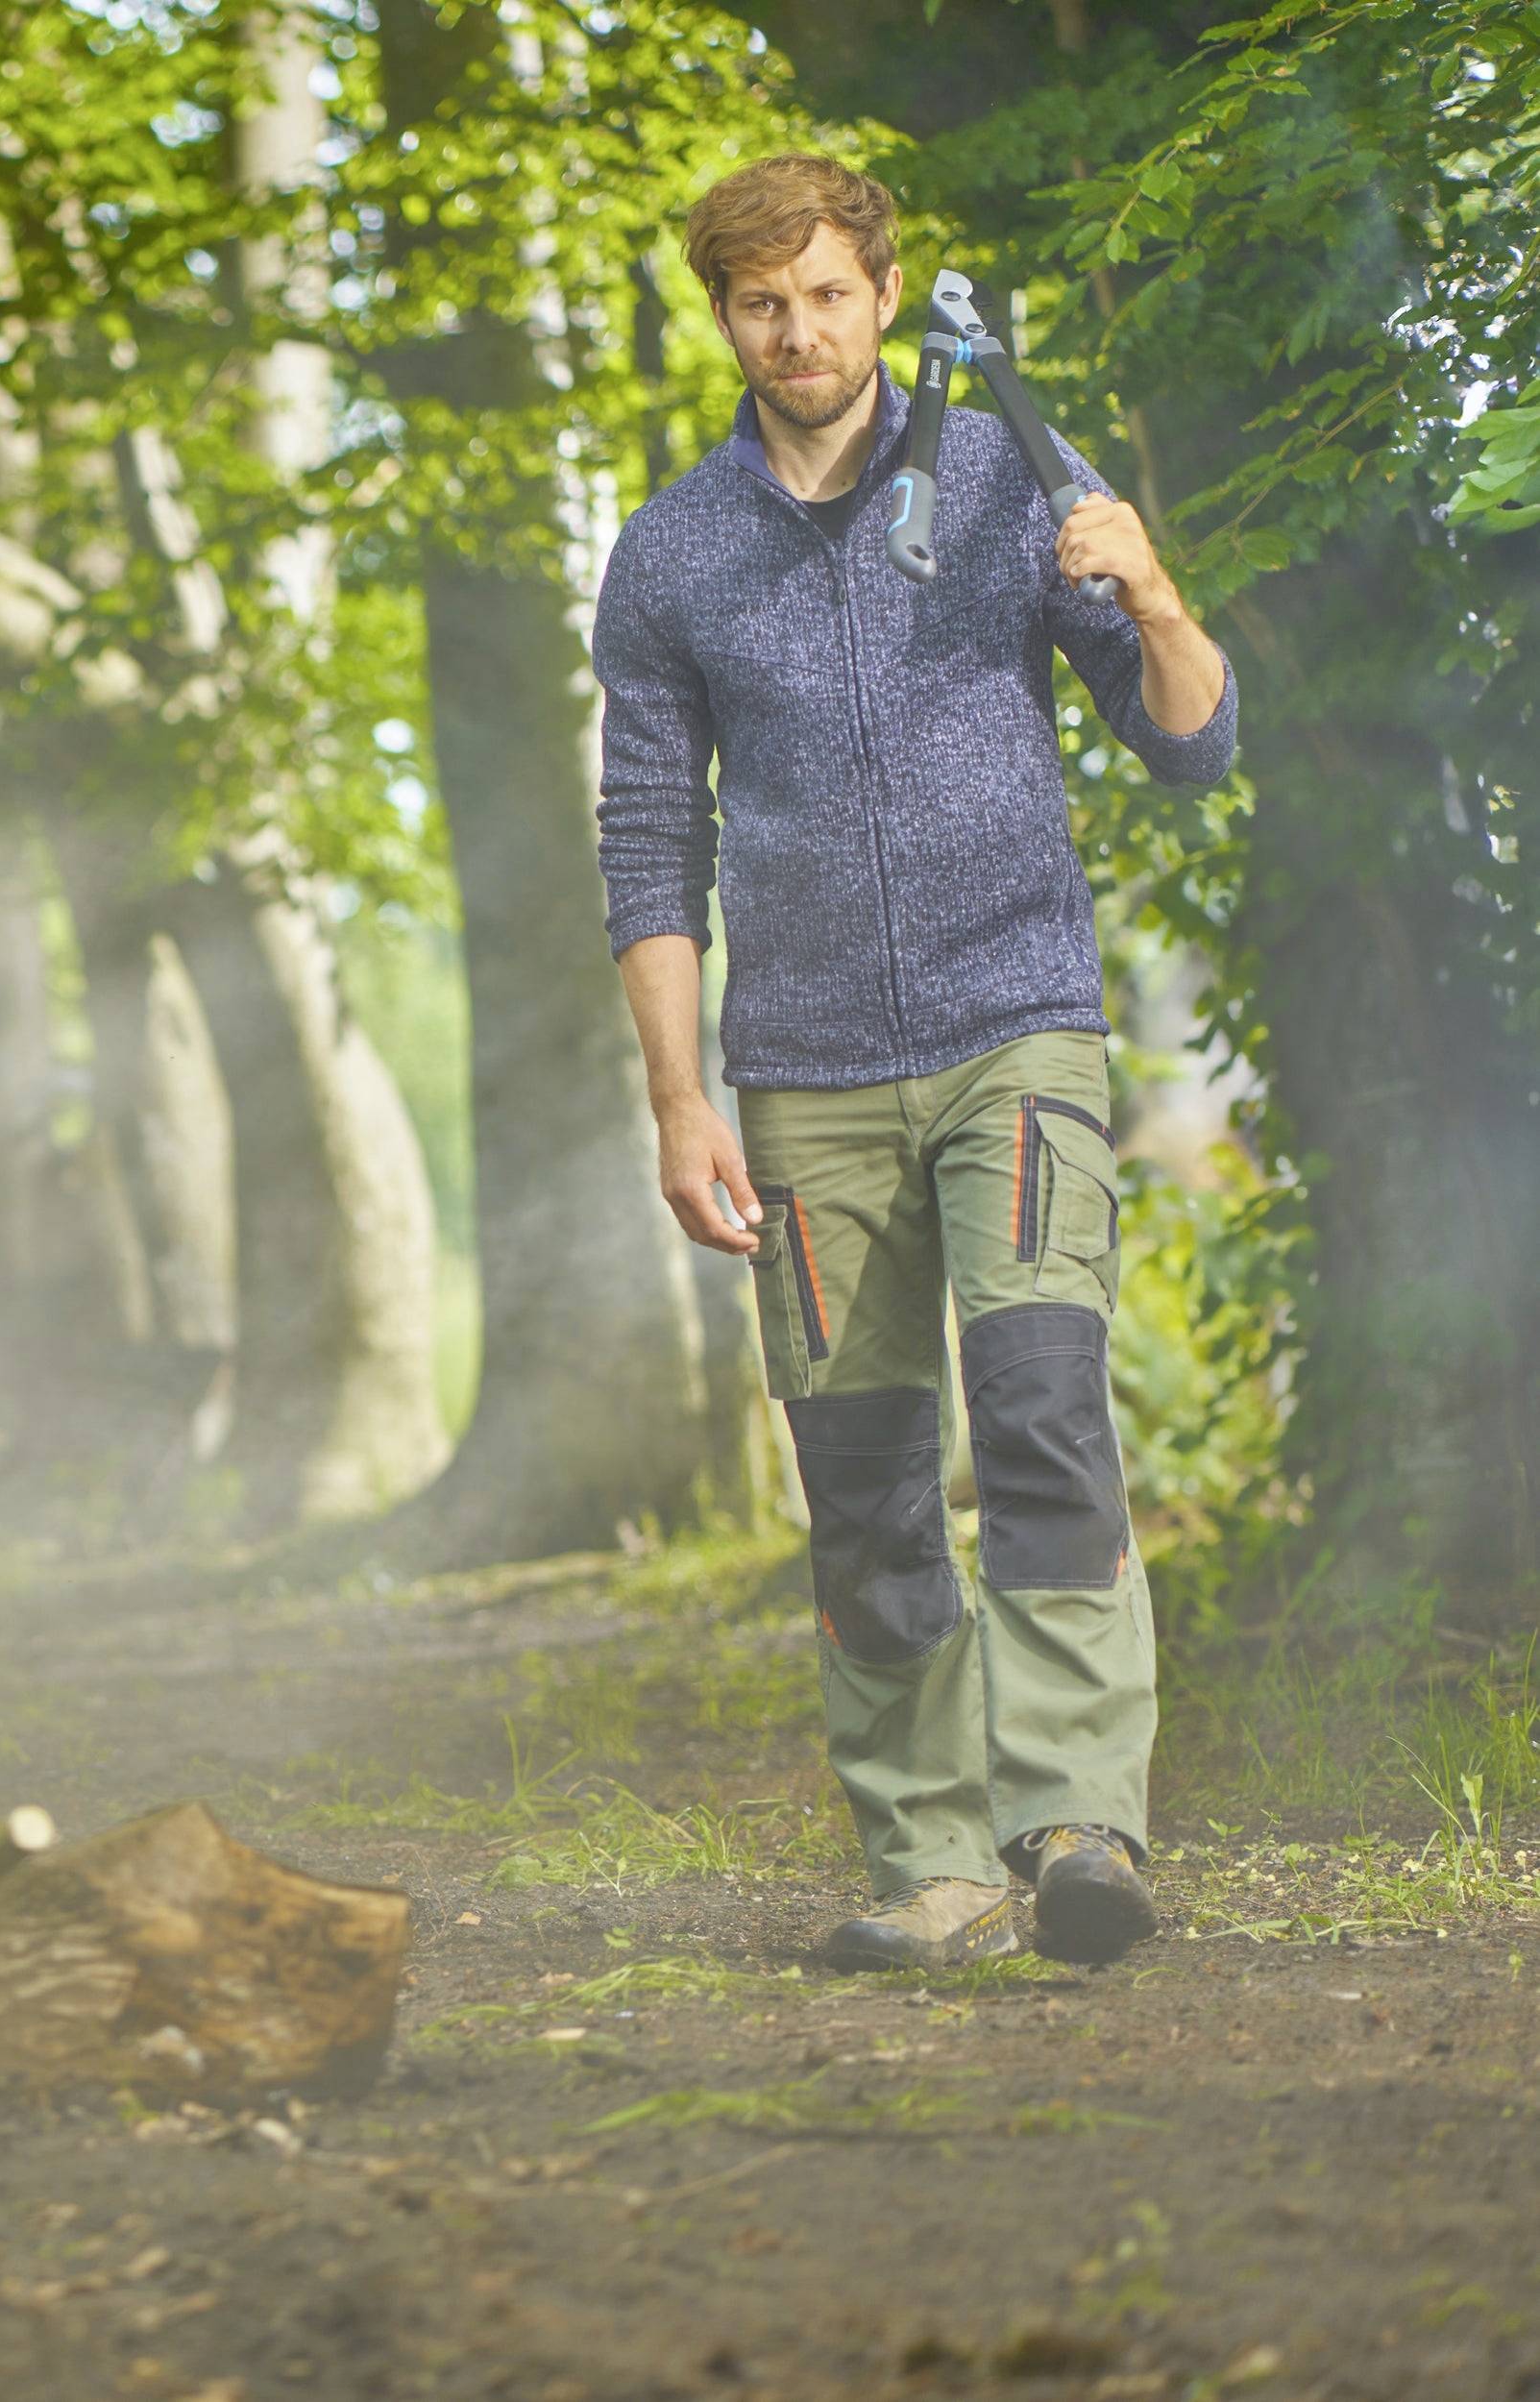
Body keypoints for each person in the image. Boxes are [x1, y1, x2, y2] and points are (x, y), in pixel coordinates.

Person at [589, 153, 1236, 1972]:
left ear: (883, 293)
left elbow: (1191, 746)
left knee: (1040, 1408)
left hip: (1013, 1022)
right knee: (863, 1471)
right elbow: (649, 840)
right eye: (760, 304)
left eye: (825, 295)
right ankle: (934, 1865)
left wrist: (1159, 600)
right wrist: (678, 1093)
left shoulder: (1013, 474)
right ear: (727, 317)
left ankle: (1080, 1823)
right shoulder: (673, 552)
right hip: (798, 1071)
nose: (798, 333)